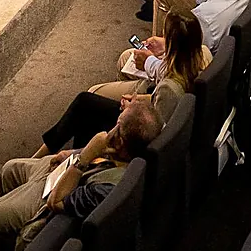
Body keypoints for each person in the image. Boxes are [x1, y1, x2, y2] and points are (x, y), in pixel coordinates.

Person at [0, 96, 162, 251]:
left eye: (118, 125)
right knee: (10, 169)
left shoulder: (108, 187)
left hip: (48, 199)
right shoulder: (123, 154)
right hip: (60, 174)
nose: (111, 129)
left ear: (121, 142)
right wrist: (73, 153)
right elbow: (99, 157)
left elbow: (56, 202)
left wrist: (83, 157)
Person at [43, 12, 207, 153]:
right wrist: (139, 100)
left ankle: (51, 153)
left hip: (134, 137)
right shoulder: (199, 60)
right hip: (146, 106)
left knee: (84, 104)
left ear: (171, 45)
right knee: (86, 105)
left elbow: (152, 133)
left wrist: (131, 109)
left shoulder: (169, 88)